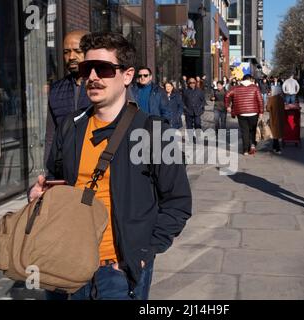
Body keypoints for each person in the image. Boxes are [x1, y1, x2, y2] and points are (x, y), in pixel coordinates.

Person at [30, 32, 192, 300]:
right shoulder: (70, 126)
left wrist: (143, 252)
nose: (92, 77)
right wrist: (40, 196)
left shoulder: (153, 131)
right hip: (68, 262)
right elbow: (58, 181)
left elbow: (178, 201)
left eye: (103, 69)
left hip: (119, 269)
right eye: (87, 68)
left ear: (127, 76)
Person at [45, 30, 92, 166]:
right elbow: (51, 136)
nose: (71, 56)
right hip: (67, 168)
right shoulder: (55, 90)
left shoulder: (103, 84)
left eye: (77, 51)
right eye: (66, 52)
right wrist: (48, 172)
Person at [225, 74, 264, 156]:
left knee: (244, 131)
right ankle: (252, 146)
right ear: (250, 79)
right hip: (253, 112)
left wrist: (227, 106)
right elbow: (260, 100)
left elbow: (227, 95)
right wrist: (261, 112)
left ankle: (245, 150)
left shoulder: (235, 88)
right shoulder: (255, 87)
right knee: (252, 130)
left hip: (241, 113)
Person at [266, 85, 285, 154]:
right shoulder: (281, 99)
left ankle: (278, 149)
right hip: (281, 118)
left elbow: (267, 109)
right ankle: (275, 147)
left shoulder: (271, 99)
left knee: (275, 134)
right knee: (277, 133)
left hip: (273, 118)